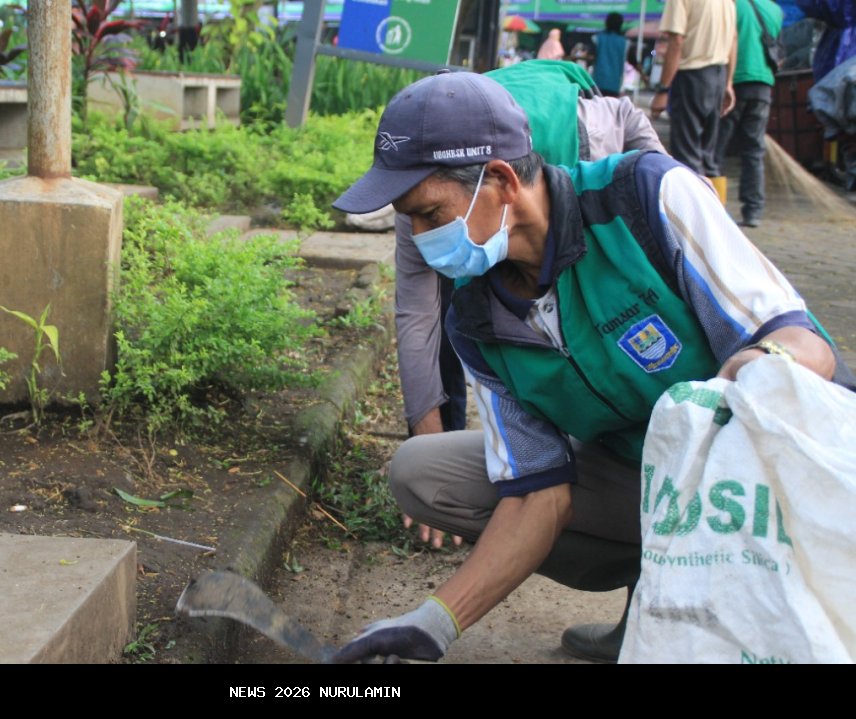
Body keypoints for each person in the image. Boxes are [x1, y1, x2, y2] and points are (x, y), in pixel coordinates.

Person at [331, 71, 847, 663]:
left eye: (428, 214)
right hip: (654, 485)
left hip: (771, 478)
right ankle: (656, 597)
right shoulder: (476, 318)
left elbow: (805, 345)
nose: (420, 239)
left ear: (498, 180)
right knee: (423, 471)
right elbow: (538, 492)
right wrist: (433, 623)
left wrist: (751, 371)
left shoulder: (646, 197)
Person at [395, 61, 664, 491]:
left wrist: (670, 192)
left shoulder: (586, 146)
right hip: (477, 187)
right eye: (416, 217)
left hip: (577, 146)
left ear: (501, 181)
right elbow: (416, 311)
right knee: (460, 312)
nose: (419, 230)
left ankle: (608, 428)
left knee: (594, 313)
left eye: (429, 216)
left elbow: (625, 118)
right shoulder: (421, 190)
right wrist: (428, 436)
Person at [714, 0, 784, 228]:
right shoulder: (775, 10)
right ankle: (753, 211)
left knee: (717, 148)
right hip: (763, 85)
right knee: (753, 151)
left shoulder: (732, 5)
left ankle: (713, 207)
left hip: (734, 84)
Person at [651, 0, 737, 178]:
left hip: (692, 77)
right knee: (708, 157)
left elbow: (676, 41)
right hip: (719, 76)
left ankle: (692, 204)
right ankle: (716, 204)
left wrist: (663, 90)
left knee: (687, 157)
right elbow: (733, 39)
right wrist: (728, 82)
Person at [593, 12, 631, 96]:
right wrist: (644, 76)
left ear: (606, 23)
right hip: (615, 84)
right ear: (621, 24)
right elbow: (633, 61)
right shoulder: (625, 42)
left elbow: (591, 57)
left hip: (597, 83)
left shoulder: (597, 38)